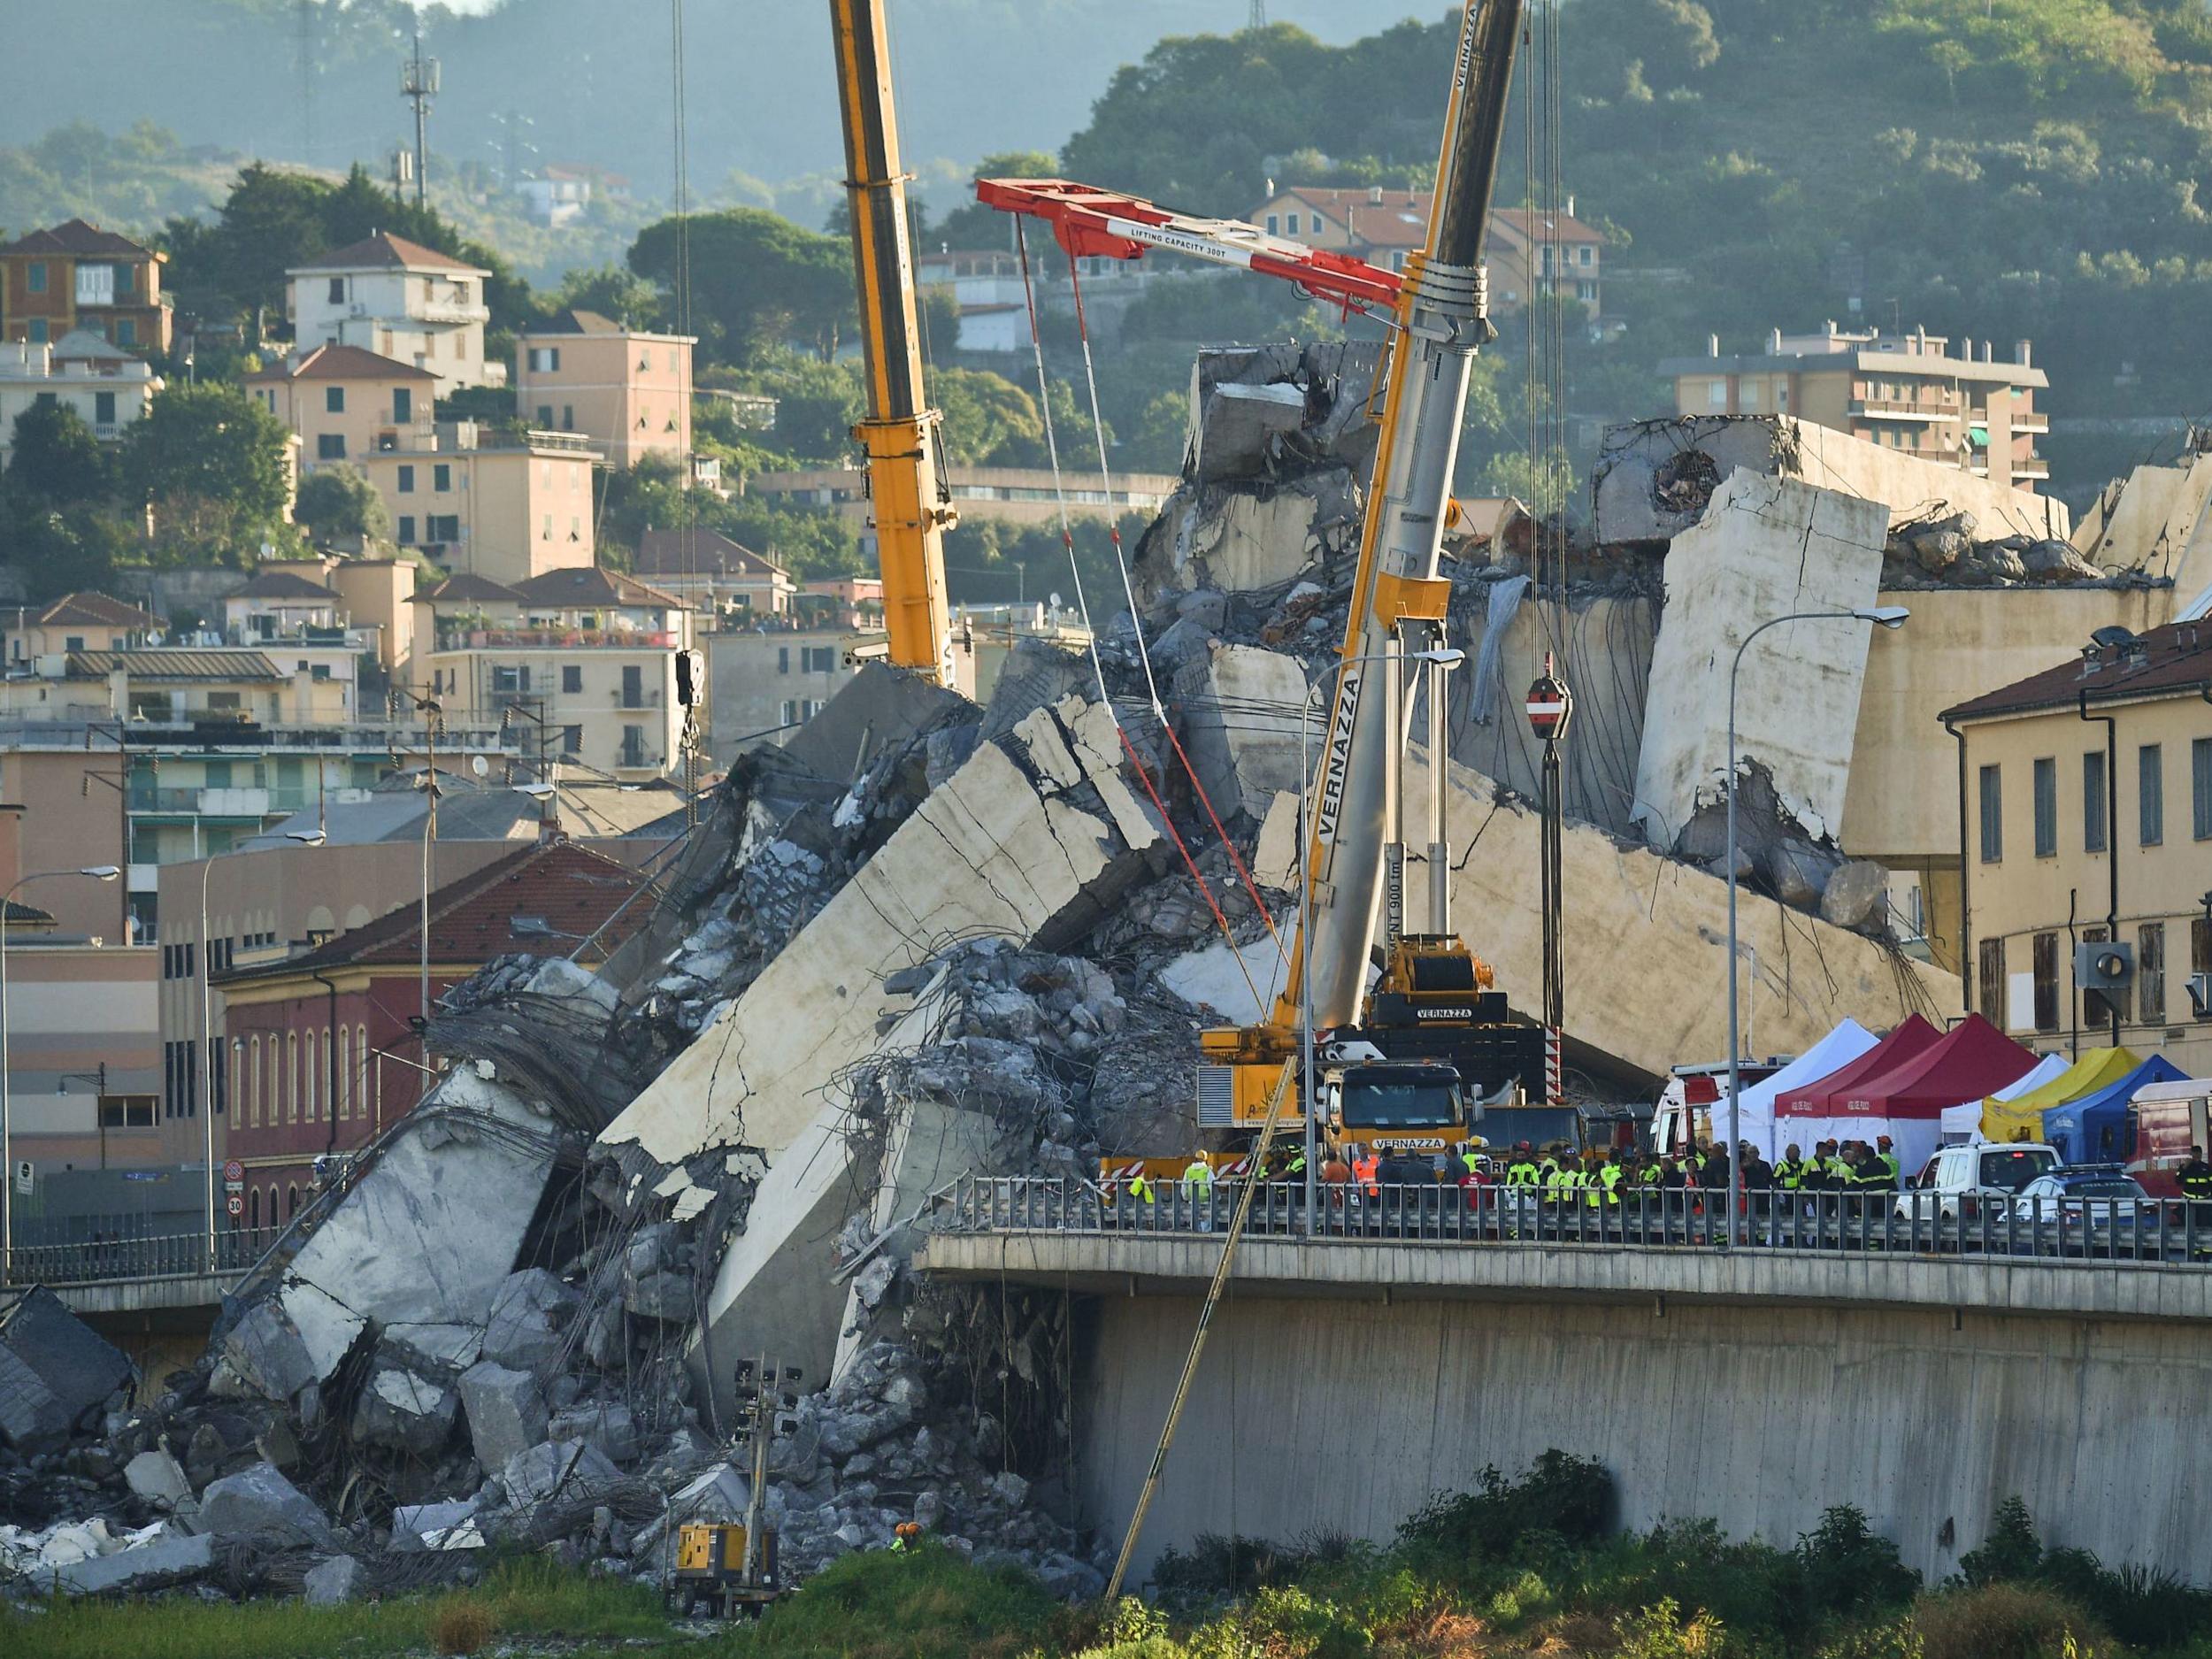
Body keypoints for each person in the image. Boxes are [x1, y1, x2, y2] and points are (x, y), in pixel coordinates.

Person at [1182, 1156, 1214, 1232]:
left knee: (1194, 1223)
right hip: (1205, 1201)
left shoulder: (1189, 1170)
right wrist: (1215, 1198)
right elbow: (1212, 1186)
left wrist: (1185, 1197)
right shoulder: (1207, 1171)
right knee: (1205, 1225)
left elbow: (1184, 1186)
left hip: (1192, 1200)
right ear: (1206, 1160)